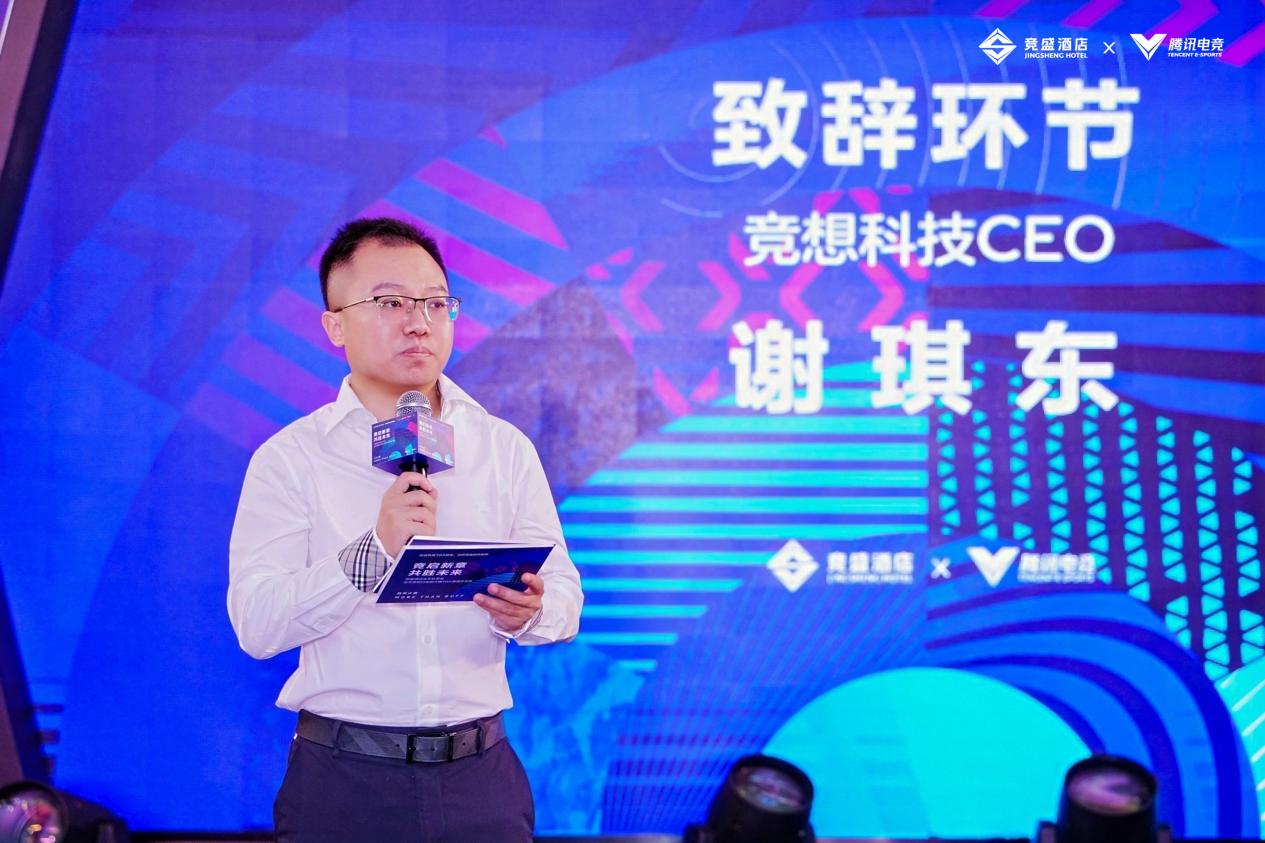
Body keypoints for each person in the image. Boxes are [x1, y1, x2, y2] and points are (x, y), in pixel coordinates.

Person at [227, 217, 583, 842]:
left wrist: (529, 612)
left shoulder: (502, 449)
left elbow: (565, 600)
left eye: (435, 303)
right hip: (344, 782)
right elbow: (258, 626)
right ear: (335, 325)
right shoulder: (291, 459)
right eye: (390, 303)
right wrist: (375, 551)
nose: (419, 322)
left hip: (480, 780)